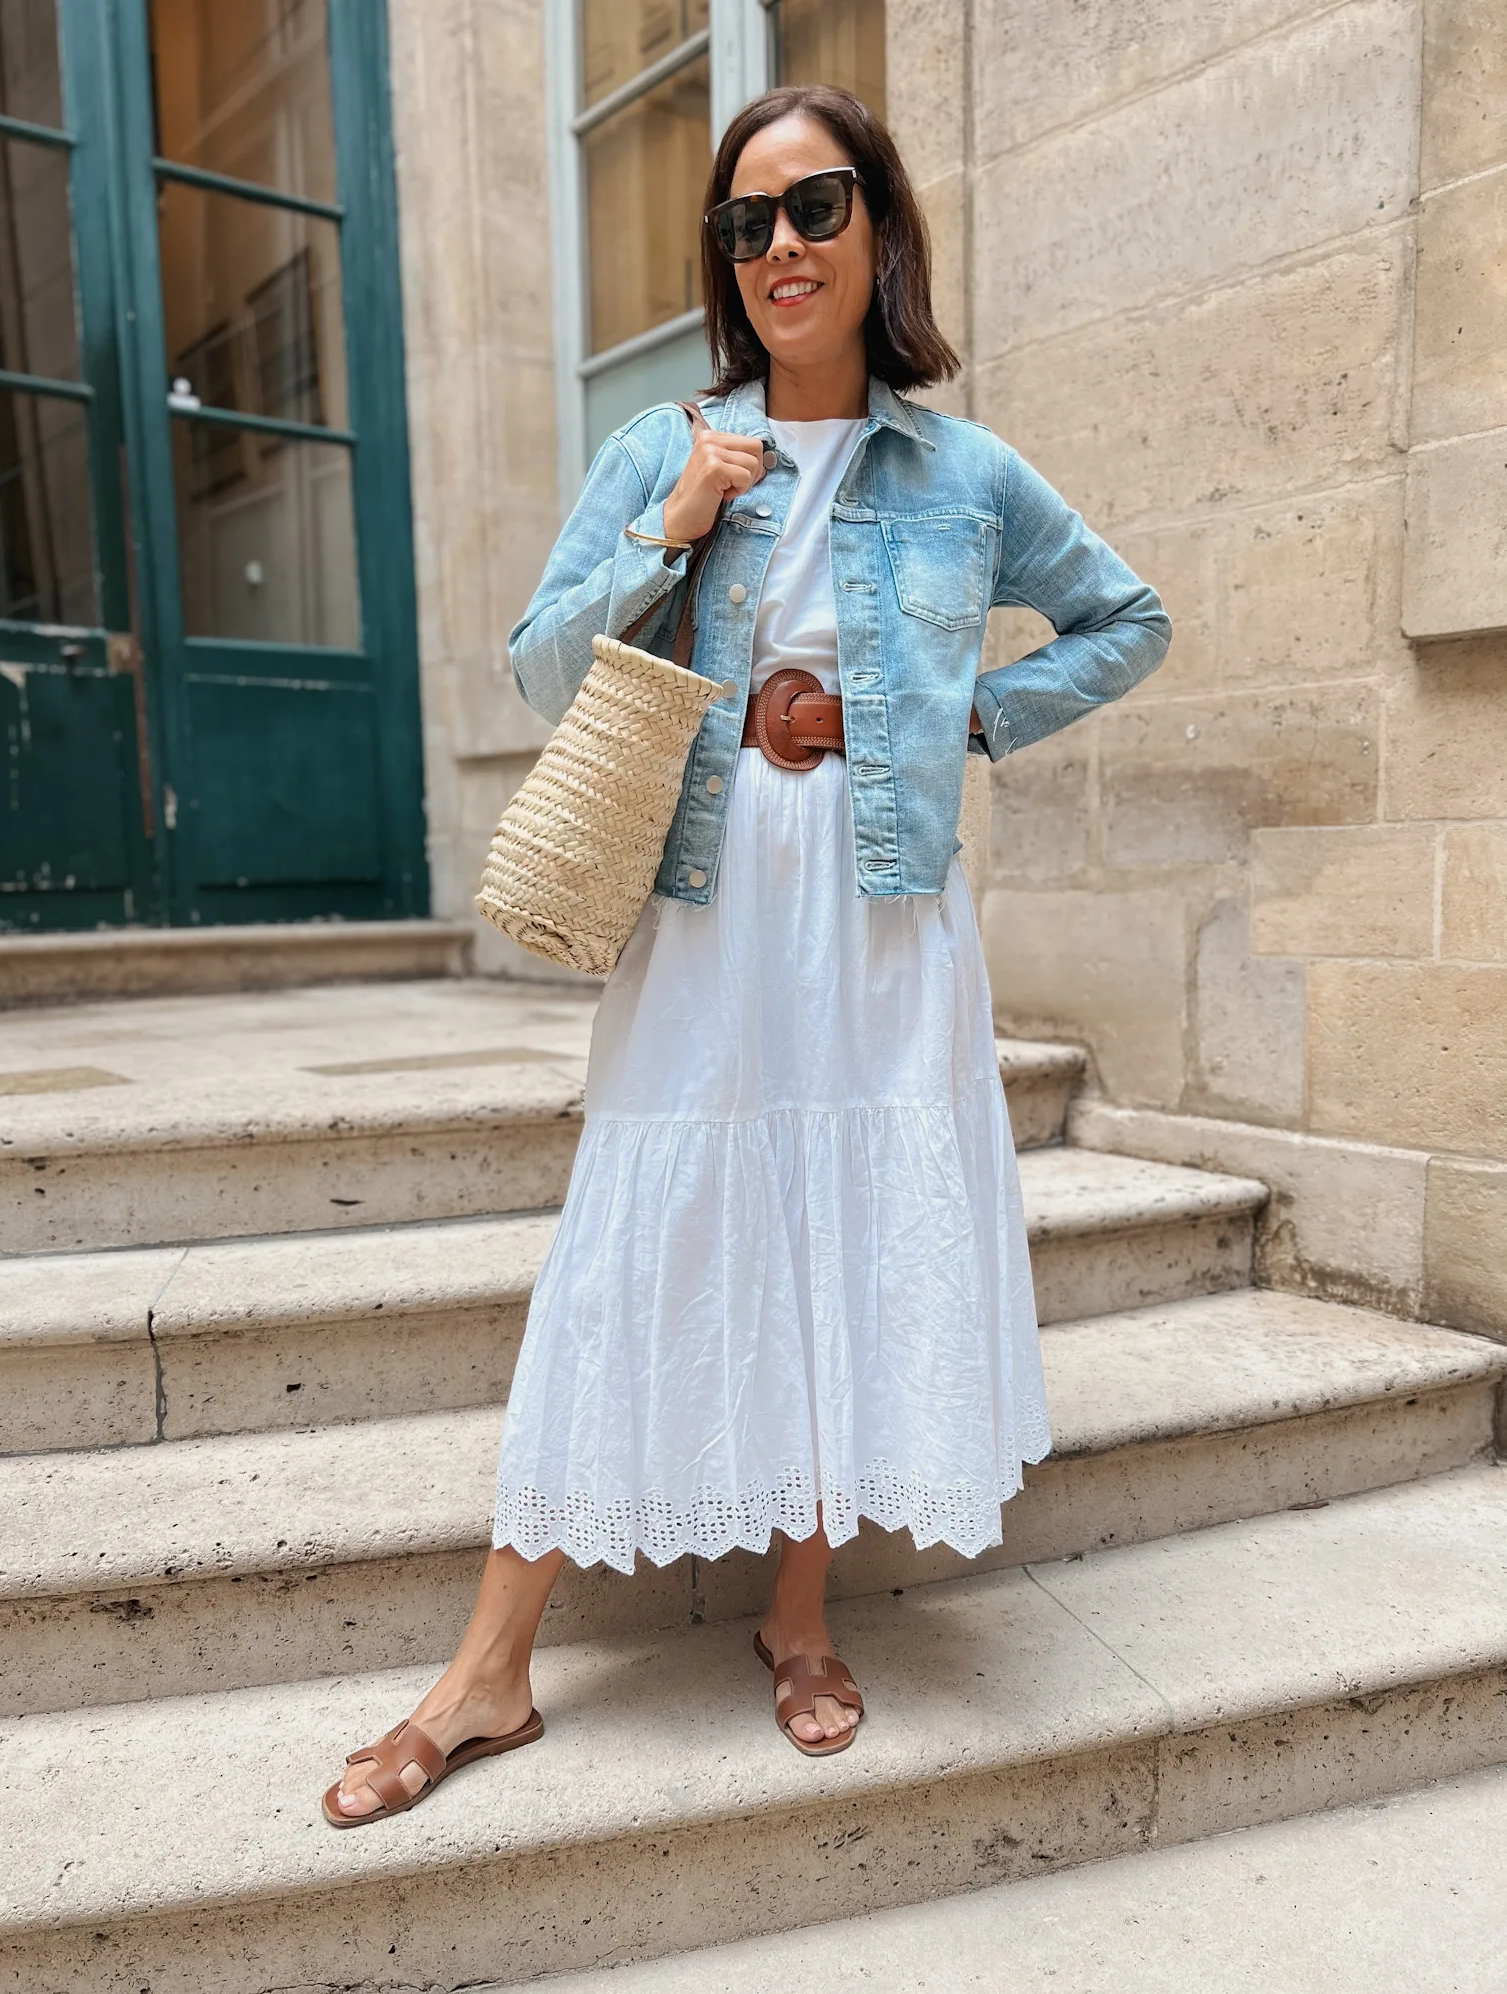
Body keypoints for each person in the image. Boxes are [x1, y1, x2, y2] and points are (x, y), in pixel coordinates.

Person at [324, 83, 1170, 1824]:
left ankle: (799, 1620)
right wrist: (675, 527)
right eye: (745, 222)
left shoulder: (963, 472)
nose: (780, 245)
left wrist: (953, 725)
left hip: (879, 904)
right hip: (710, 901)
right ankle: (491, 1669)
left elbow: (1128, 620)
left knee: (846, 1235)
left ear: (880, 232)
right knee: (643, 1241)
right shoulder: (664, 445)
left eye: (816, 207)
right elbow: (541, 668)